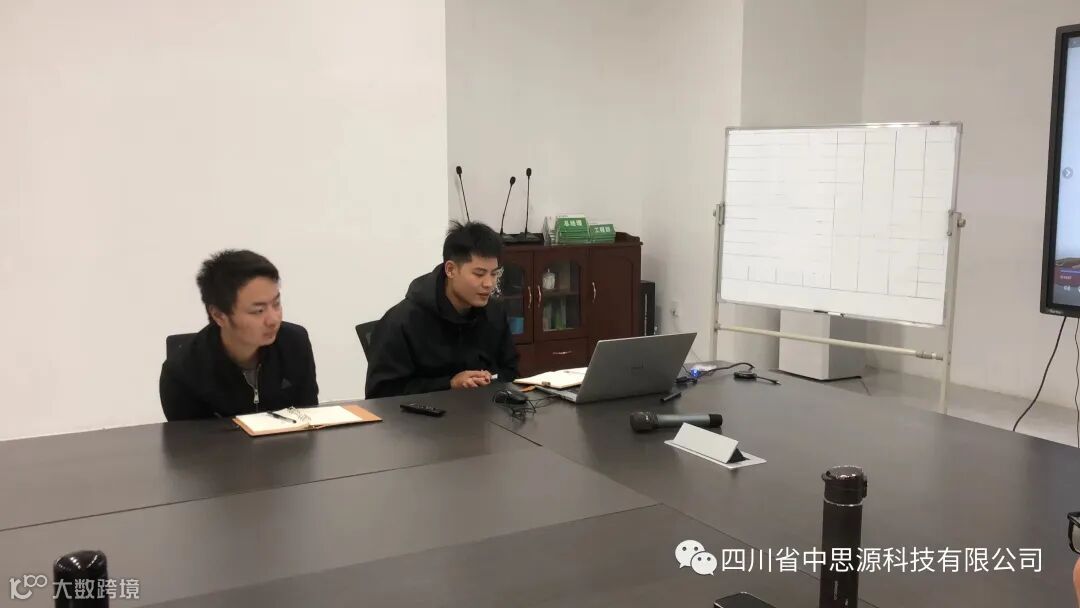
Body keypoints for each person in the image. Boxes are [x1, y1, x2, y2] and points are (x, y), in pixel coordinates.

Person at [366, 221, 519, 398]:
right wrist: (449, 384)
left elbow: (510, 370)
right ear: (451, 270)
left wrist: (490, 379)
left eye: (494, 274)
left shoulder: (494, 312)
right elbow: (380, 394)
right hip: (423, 414)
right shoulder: (402, 321)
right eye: (479, 274)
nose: (489, 284)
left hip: (483, 410)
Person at [160, 250, 318, 420]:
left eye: (276, 304)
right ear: (219, 315)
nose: (273, 320)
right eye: (258, 310)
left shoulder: (295, 343)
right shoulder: (182, 373)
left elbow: (309, 419)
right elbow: (189, 436)